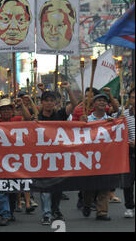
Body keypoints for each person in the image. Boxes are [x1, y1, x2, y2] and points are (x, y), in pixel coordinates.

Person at [35, 86, 77, 225]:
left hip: (58, 157)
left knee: (58, 187)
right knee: (45, 187)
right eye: (46, 100)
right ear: (41, 103)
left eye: (51, 100)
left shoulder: (60, 114)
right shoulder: (37, 118)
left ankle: (55, 209)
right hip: (43, 158)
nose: (48, 103)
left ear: (55, 102)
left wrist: (69, 90)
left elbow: (74, 105)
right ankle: (46, 214)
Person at [0, 97, 32, 226]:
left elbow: (28, 119)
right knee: (1, 187)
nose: (6, 112)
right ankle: (4, 214)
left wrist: (22, 105)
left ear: (12, 110)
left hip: (15, 160)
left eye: (8, 109)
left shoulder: (16, 120)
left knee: (13, 188)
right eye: (3, 109)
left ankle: (10, 212)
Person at [80, 93, 114, 221]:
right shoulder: (87, 119)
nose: (101, 102)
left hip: (106, 156)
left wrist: (114, 123)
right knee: (89, 185)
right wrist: (82, 123)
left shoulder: (110, 120)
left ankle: (102, 212)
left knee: (105, 184)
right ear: (93, 104)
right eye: (99, 100)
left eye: (104, 101)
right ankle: (87, 204)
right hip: (89, 156)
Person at [122, 87, 135, 218]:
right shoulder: (124, 114)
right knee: (128, 182)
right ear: (130, 100)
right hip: (130, 152)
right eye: (133, 97)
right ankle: (129, 206)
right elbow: (114, 126)